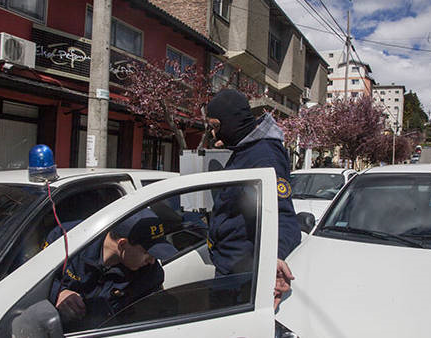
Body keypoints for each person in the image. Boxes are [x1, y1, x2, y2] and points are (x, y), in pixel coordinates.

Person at [205, 89, 301, 309]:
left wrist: (275, 259)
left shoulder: (264, 156)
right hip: (231, 270)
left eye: (216, 126)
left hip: (242, 279)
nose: (213, 134)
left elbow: (281, 215)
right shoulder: (246, 151)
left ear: (232, 122)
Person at [45, 208, 177, 331]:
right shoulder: (67, 240)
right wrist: (58, 293)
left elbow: (152, 319)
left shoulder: (150, 273)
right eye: (147, 253)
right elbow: (29, 277)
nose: (152, 261)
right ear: (122, 244)